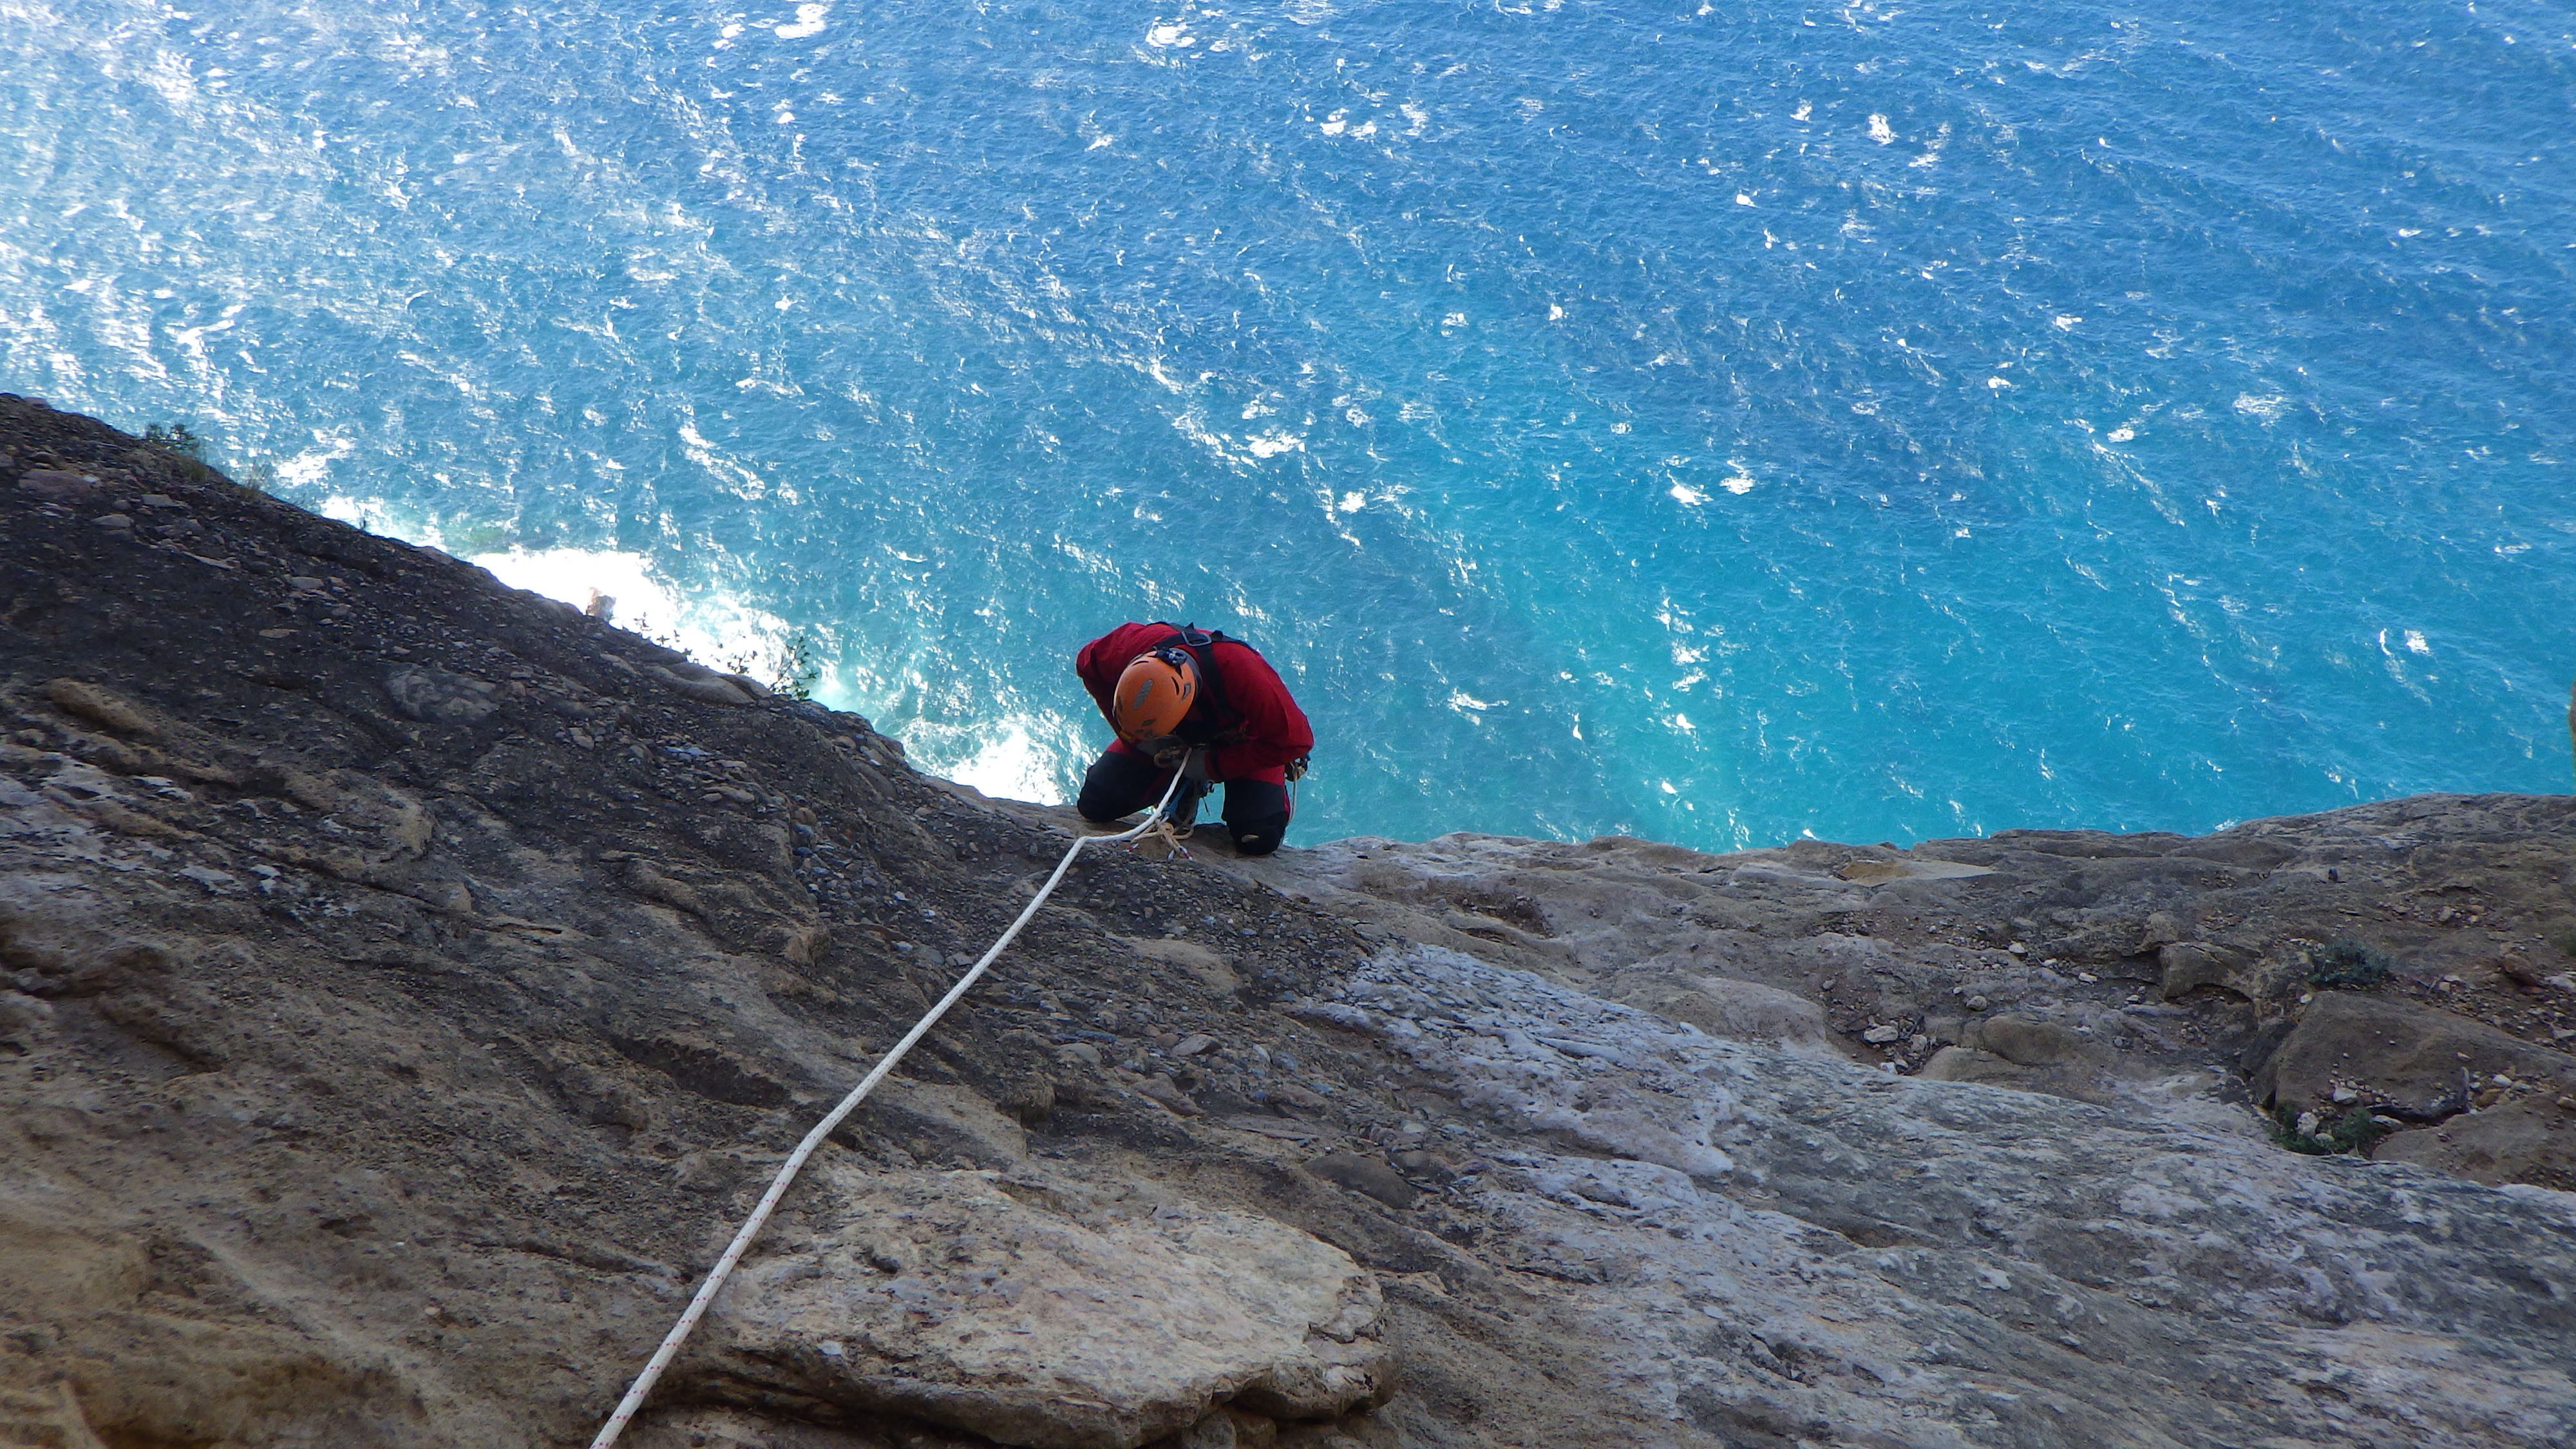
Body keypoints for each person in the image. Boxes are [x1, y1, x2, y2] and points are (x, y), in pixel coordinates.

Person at [1074, 621, 1312, 856]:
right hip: (1166, 739)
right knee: (1096, 803)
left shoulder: (1243, 672)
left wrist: (1212, 765)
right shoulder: (1126, 647)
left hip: (1241, 741)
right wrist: (1134, 739)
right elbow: (1087, 665)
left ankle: (1187, 777)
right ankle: (1177, 780)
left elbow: (1295, 740)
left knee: (1258, 835)